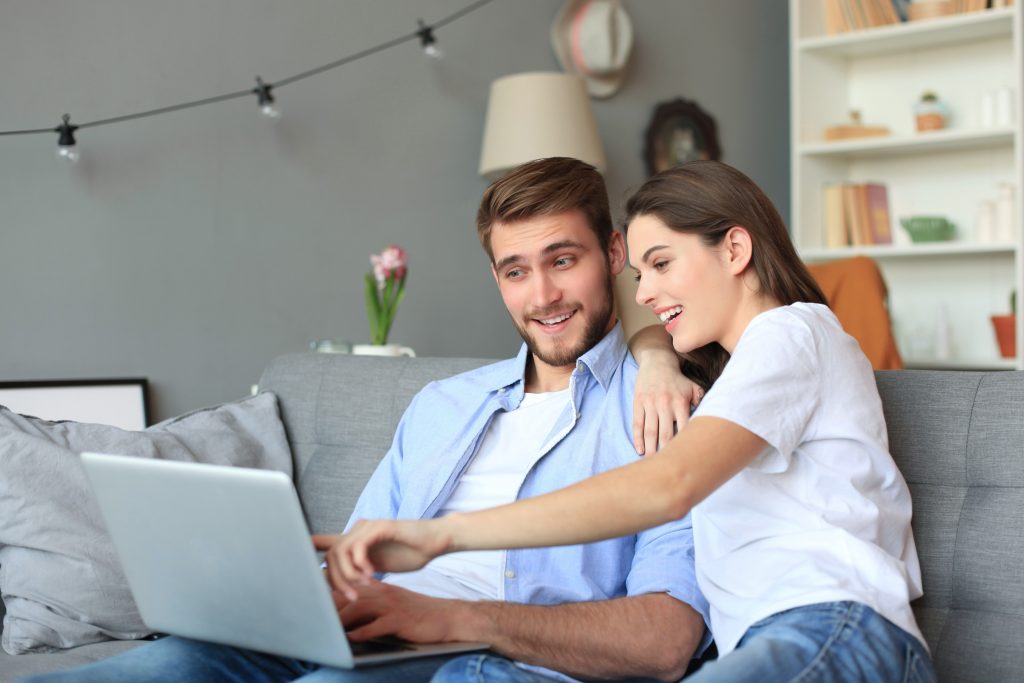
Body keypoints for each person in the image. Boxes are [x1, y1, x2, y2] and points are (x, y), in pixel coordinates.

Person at [20, 157, 711, 683]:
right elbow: (356, 557)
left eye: (563, 260)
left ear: (613, 255)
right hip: (366, 630)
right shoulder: (445, 403)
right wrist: (288, 587)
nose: (543, 295)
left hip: (494, 653)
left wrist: (457, 618)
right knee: (144, 672)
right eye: (515, 271)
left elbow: (666, 638)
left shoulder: (668, 409)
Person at [323, 160, 938, 683]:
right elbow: (650, 333)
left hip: (837, 625)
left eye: (661, 265)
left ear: (735, 248)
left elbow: (667, 488)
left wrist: (447, 535)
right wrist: (655, 353)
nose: (644, 293)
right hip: (773, 637)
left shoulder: (792, 332)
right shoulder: (731, 371)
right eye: (642, 274)